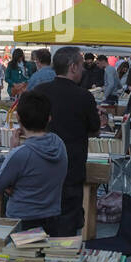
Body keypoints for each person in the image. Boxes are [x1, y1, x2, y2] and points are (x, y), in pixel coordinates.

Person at [29, 47, 100, 235]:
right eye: (81, 65)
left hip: (39, 171)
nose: (84, 70)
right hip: (70, 170)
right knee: (65, 235)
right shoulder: (84, 96)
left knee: (36, 235)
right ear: (73, 67)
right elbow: (95, 129)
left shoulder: (39, 91)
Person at [0, 91, 68, 235]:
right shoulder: (59, 144)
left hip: (23, 219)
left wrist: (11, 151)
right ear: (49, 118)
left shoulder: (20, 154)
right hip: (53, 217)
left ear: (18, 117)